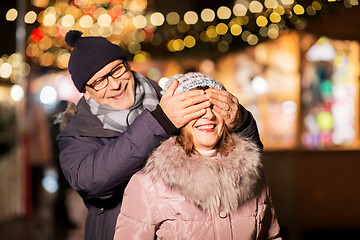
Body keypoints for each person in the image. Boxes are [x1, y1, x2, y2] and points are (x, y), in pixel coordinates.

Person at [57, 30, 263, 240]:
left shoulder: (171, 97)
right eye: (100, 81)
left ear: (127, 65)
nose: (115, 84)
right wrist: (160, 122)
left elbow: (243, 164)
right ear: (86, 92)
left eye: (117, 69)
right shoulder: (76, 133)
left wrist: (241, 122)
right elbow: (92, 182)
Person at [114, 72, 281, 240]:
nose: (208, 115)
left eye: (214, 106)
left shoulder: (251, 172)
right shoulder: (148, 184)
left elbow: (272, 236)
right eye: (196, 108)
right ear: (175, 118)